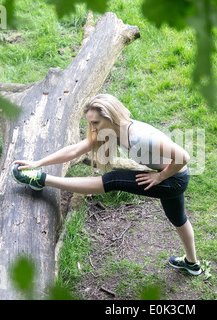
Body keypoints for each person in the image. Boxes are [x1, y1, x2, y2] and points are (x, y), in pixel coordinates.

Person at [11, 93, 201, 276]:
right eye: (90, 123)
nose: (92, 128)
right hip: (171, 176)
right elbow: (77, 149)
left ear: (110, 116)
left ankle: (41, 180)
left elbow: (184, 156)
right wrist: (38, 162)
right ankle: (192, 264)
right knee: (178, 219)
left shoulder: (139, 136)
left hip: (172, 179)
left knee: (113, 180)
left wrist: (160, 177)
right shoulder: (114, 131)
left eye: (96, 123)